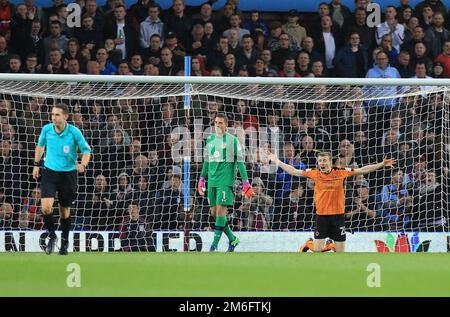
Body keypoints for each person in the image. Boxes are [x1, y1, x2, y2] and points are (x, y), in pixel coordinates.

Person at [265, 150, 396, 252]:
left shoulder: (340, 172)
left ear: (330, 162)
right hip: (322, 216)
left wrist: (382, 164)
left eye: (324, 160)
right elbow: (293, 171)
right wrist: (277, 160)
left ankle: (329, 245)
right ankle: (308, 243)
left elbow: (362, 170)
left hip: (338, 216)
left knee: (339, 252)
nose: (322, 163)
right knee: (317, 250)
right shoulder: (314, 173)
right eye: (320, 161)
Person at [32, 103, 92, 255]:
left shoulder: (74, 132)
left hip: (68, 175)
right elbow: (40, 146)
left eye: (57, 115)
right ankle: (52, 236)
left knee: (64, 211)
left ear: (65, 117)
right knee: (45, 207)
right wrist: (36, 165)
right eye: (52, 114)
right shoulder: (46, 129)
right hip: (50, 173)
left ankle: (65, 241)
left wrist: (83, 165)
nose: (53, 117)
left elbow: (86, 150)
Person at [197, 112, 253, 252]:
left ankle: (213, 246)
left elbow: (240, 162)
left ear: (226, 124)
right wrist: (202, 179)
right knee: (215, 214)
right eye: (216, 122)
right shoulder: (209, 140)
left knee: (221, 212)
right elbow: (207, 161)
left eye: (220, 122)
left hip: (225, 181)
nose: (217, 125)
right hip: (212, 182)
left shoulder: (232, 141)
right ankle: (233, 239)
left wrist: (246, 182)